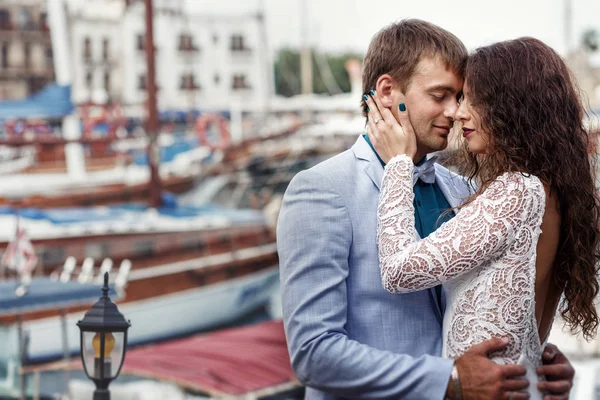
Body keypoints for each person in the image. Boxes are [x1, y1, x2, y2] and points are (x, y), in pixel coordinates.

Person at [278, 19, 575, 400]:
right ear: (387, 91)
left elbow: (493, 301)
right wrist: (448, 380)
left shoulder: (462, 188)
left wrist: (532, 364)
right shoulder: (322, 190)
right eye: (440, 96)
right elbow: (313, 354)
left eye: (460, 97)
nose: (454, 112)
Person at [364, 36, 599, 399]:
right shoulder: (556, 192)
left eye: (472, 99)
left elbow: (398, 271)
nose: (458, 113)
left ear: (512, 106)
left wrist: (398, 164)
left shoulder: (518, 190)